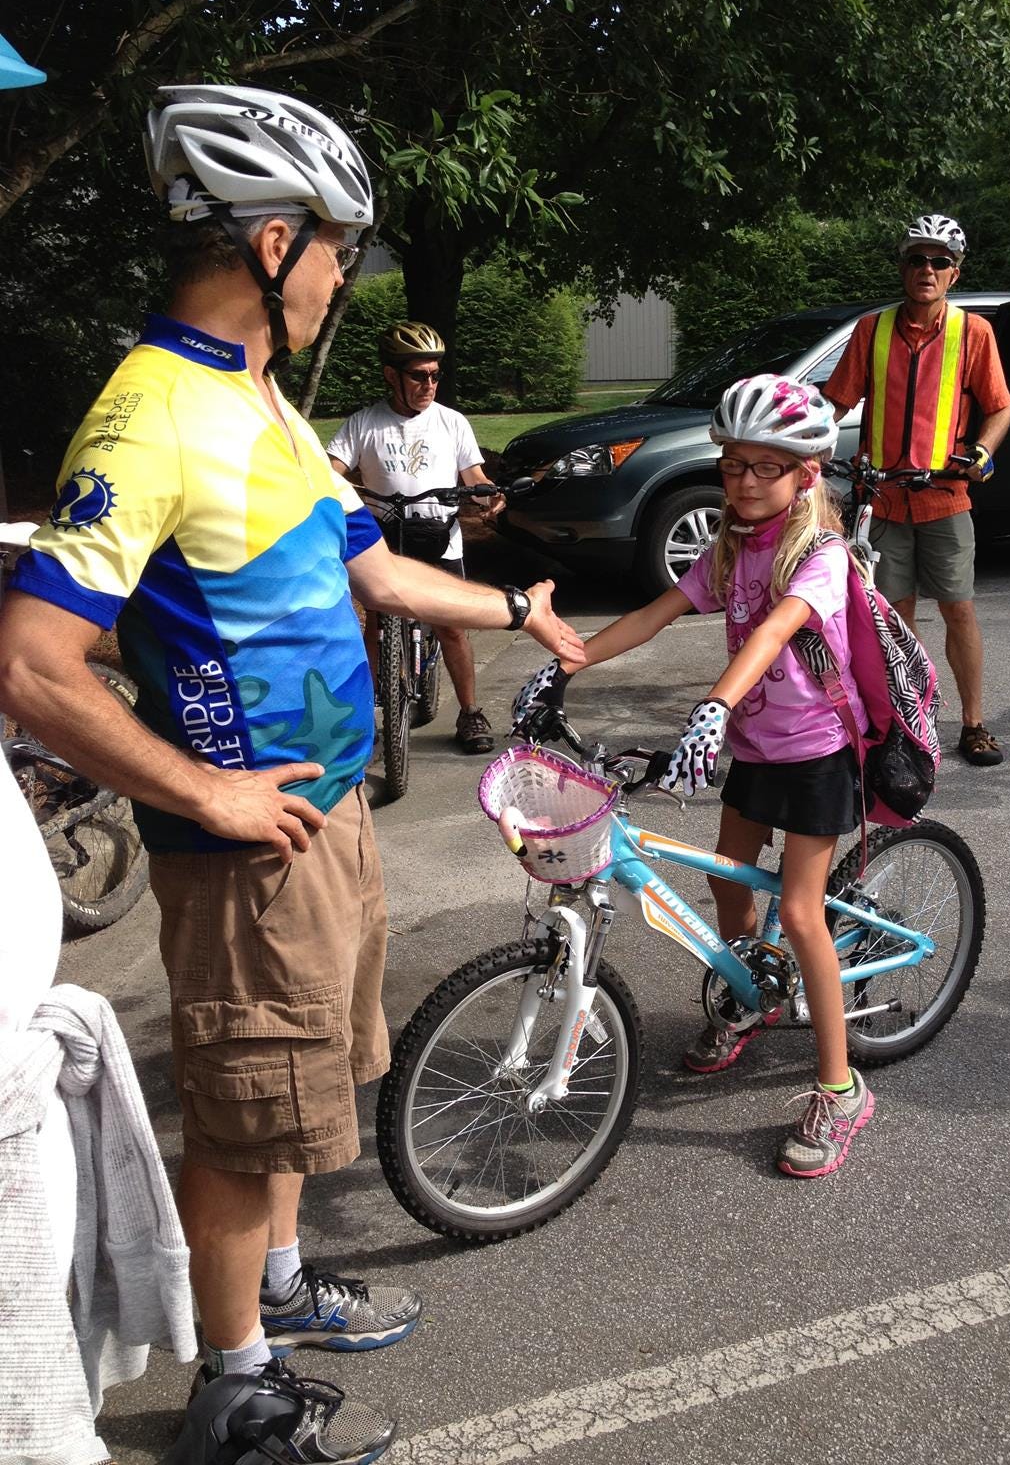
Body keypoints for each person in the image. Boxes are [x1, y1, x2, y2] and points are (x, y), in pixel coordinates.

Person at [0, 82, 584, 1463]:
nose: (341, 275)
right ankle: (236, 1395)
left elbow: (369, 566)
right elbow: (29, 662)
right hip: (247, 843)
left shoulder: (256, 401)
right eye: (336, 247)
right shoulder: (151, 413)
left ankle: (277, 1286)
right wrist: (203, 796)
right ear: (272, 241)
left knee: (300, 1098)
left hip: (326, 821)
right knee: (244, 1115)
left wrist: (516, 612)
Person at [513, 376, 877, 1179]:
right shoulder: (732, 544)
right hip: (756, 748)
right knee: (728, 890)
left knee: (802, 912)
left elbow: (778, 630)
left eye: (766, 468)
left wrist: (712, 704)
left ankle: (839, 1088)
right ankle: (753, 998)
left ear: (806, 474)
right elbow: (655, 614)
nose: (744, 481)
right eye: (734, 465)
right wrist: (567, 660)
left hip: (817, 753)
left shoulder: (816, 553)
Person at [823, 213, 1010, 767]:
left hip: (946, 497)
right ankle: (909, 719)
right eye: (916, 259)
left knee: (958, 609)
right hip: (882, 498)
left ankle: (973, 723)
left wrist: (983, 451)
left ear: (954, 273)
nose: (926, 270)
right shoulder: (871, 330)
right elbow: (836, 402)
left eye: (939, 261)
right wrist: (807, 449)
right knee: (896, 616)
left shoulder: (972, 332)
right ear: (903, 268)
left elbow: (999, 407)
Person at [328, 320, 502, 753]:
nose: (429, 384)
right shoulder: (364, 424)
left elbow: (474, 475)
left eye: (435, 375)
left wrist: (489, 498)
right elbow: (329, 472)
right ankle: (365, 717)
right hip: (383, 540)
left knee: (452, 629)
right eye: (418, 376)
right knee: (376, 627)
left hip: (441, 536)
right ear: (392, 375)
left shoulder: (451, 422)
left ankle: (469, 712)